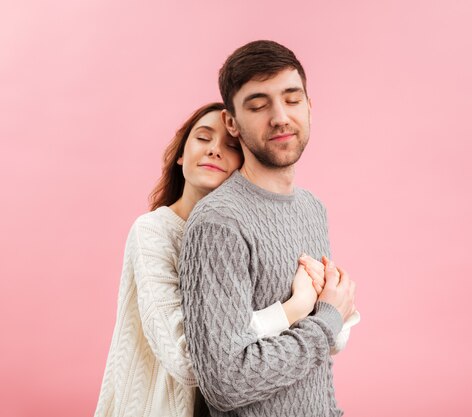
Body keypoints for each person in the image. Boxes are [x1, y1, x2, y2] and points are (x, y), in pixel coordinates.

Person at [94, 102, 353, 417]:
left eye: (230, 146)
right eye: (202, 138)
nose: (215, 150)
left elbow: (334, 337)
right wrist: (295, 309)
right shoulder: (153, 232)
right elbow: (191, 362)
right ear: (180, 154)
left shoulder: (258, 233)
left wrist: (329, 310)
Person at [179, 40, 358, 417]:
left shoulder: (312, 209)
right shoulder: (218, 223)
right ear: (232, 122)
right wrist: (328, 320)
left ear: (310, 107)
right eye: (259, 105)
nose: (280, 116)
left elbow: (316, 368)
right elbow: (226, 381)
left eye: (292, 100)